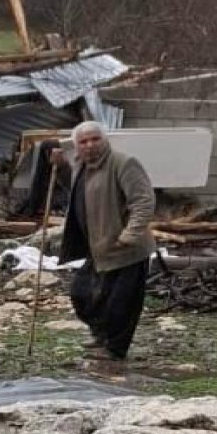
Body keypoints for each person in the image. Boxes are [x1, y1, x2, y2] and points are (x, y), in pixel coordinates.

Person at [51, 121, 155, 362]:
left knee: (121, 304)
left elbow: (143, 201)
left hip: (126, 248)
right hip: (99, 246)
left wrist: (130, 234)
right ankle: (100, 334)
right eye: (83, 142)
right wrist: (61, 167)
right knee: (81, 293)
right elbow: (76, 189)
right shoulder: (81, 165)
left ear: (105, 140)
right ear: (77, 146)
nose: (90, 145)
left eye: (95, 139)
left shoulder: (123, 163)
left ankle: (115, 349)